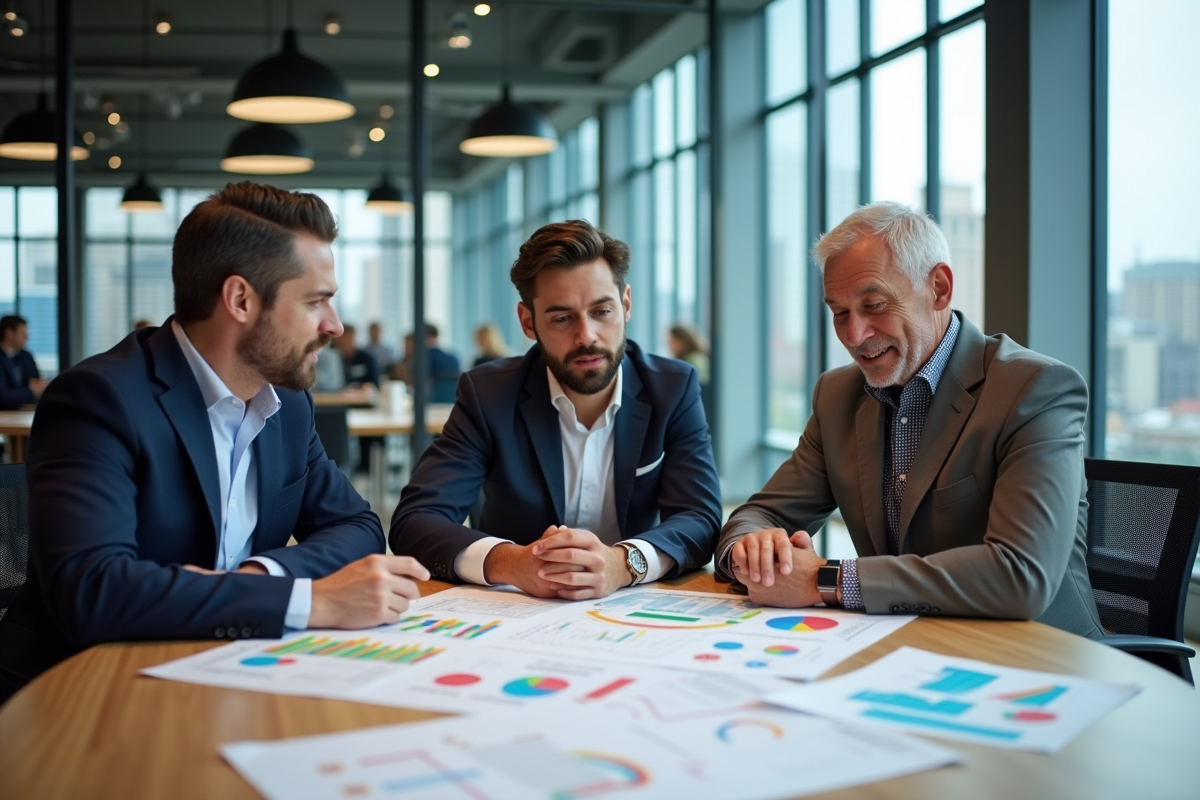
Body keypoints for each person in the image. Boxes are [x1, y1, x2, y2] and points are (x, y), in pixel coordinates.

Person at [0, 182, 430, 703]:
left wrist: (260, 574)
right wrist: (305, 600)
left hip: (223, 672)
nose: (334, 326)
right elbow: (95, 591)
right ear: (241, 299)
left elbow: (358, 527)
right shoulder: (99, 399)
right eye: (316, 301)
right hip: (82, 692)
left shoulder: (286, 405)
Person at [716, 201, 1103, 639]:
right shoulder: (837, 395)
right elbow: (760, 513)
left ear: (938, 288)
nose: (853, 335)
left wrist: (826, 579)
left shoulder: (1035, 389)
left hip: (1038, 657)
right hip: (906, 645)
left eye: (875, 304)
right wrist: (753, 551)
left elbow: (1020, 575)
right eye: (839, 312)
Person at [391, 220, 722, 600]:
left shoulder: (672, 388)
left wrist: (623, 563)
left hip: (631, 605)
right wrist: (512, 562)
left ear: (626, 305)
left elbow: (700, 518)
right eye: (562, 318)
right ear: (528, 322)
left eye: (602, 311)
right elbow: (414, 522)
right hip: (517, 608)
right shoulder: (488, 394)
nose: (587, 336)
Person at [0, 314, 47, 410]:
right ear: (9, 333)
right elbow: (3, 396)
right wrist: (31, 391)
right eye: (23, 332)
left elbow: (38, 385)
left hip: (23, 412)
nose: (27, 337)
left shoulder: (26, 357)